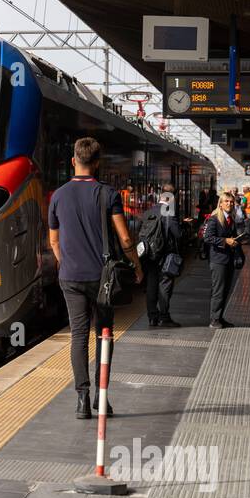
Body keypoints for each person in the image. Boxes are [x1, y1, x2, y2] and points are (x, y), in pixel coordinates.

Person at [48, 137, 144, 420]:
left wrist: (65, 264)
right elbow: (125, 237)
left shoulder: (58, 195)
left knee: (78, 336)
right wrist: (136, 266)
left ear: (73, 161)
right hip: (102, 278)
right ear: (98, 163)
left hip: (71, 276)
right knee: (104, 334)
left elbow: (53, 240)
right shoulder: (108, 194)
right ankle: (102, 397)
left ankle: (82, 398)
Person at [138, 190, 183, 328]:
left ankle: (152, 317)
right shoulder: (168, 212)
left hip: (150, 255)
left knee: (151, 285)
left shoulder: (148, 212)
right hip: (165, 256)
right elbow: (177, 234)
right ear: (170, 200)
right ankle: (164, 317)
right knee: (165, 286)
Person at [204, 190, 243, 329]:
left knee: (226, 289)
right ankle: (214, 319)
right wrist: (225, 241)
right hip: (218, 260)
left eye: (231, 202)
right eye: (226, 201)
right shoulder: (214, 219)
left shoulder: (230, 218)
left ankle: (220, 317)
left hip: (228, 259)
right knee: (218, 290)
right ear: (220, 204)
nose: (229, 204)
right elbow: (207, 238)